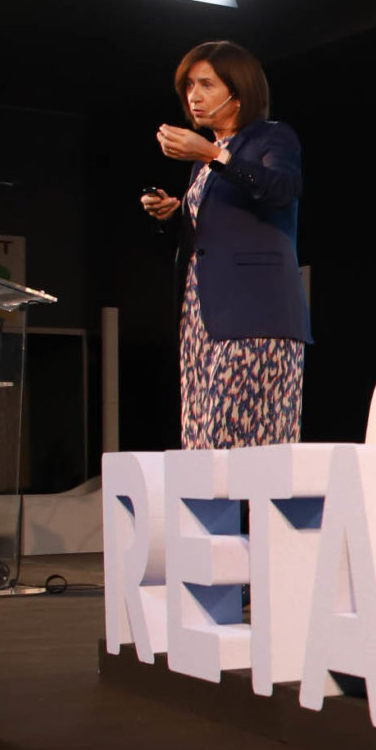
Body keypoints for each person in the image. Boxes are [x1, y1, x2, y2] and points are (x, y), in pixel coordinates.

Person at [139, 42, 309, 448]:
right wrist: (173, 216)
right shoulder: (204, 163)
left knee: (239, 442)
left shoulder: (272, 137)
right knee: (201, 444)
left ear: (239, 91)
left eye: (206, 85)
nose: (193, 96)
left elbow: (281, 189)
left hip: (256, 317)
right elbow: (213, 238)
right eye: (188, 86)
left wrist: (214, 154)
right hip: (203, 317)